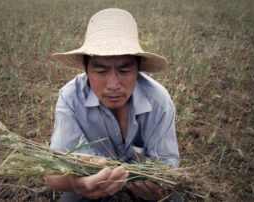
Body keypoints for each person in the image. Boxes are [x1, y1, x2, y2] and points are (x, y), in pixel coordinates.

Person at [45, 8, 181, 201]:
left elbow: (169, 168)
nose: (113, 85)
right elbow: (53, 174)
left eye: (125, 69)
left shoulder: (158, 101)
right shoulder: (71, 97)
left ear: (138, 68)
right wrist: (77, 183)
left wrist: (161, 188)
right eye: (100, 70)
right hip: (91, 177)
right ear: (86, 69)